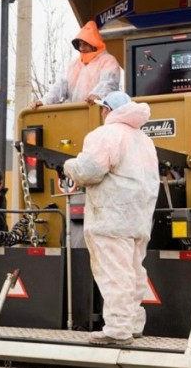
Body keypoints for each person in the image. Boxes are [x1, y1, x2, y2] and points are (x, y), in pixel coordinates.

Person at [63, 91, 159, 346]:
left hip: (111, 217)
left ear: (107, 110)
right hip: (138, 219)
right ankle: (133, 323)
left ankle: (118, 330)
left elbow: (89, 171)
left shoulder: (105, 135)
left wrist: (68, 165)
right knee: (133, 271)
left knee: (115, 273)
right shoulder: (144, 141)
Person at [30, 20, 121, 109]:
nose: (81, 48)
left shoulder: (108, 61)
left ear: (94, 44)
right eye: (80, 44)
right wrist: (44, 101)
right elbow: (60, 86)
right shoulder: (74, 65)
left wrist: (97, 95)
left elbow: (109, 83)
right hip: (75, 115)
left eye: (85, 44)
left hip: (99, 114)